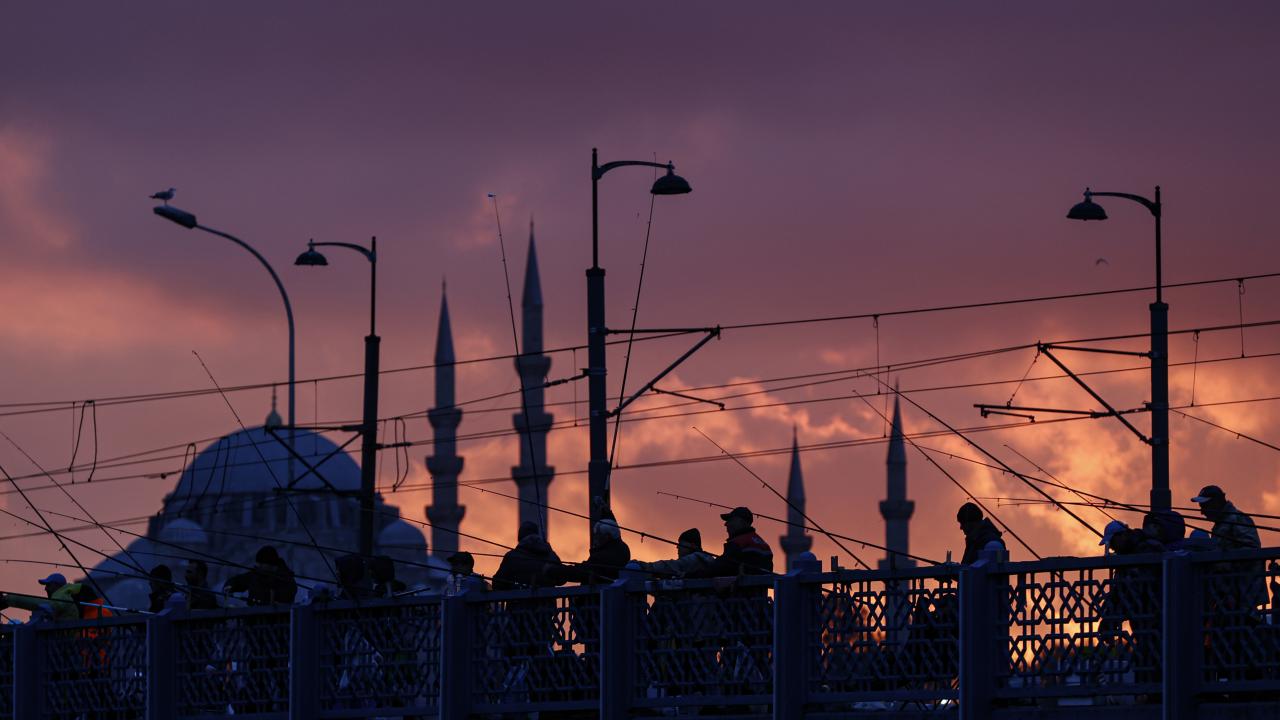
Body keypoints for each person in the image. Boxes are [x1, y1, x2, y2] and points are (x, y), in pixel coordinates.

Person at [688, 506, 774, 578]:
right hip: (759, 591)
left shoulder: (739, 543)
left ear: (740, 521)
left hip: (741, 591)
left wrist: (689, 575)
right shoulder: (764, 545)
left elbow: (720, 568)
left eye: (730, 520)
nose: (726, 524)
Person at [555, 516, 632, 585]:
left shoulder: (602, 556)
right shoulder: (622, 548)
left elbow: (581, 572)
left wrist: (555, 570)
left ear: (607, 537)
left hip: (600, 595)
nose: (595, 538)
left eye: (598, 535)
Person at [0, 572, 106, 622]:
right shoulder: (65, 594)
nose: (45, 589)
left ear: (57, 585)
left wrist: (8, 600)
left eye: (48, 585)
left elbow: (53, 605)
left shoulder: (62, 595)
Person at [492, 521, 565, 591]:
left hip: (520, 599)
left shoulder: (512, 556)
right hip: (547, 599)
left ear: (520, 538)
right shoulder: (552, 555)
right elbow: (561, 580)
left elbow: (497, 584)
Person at [225, 546, 297, 605]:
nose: (258, 565)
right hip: (253, 615)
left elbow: (286, 596)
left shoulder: (286, 578)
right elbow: (237, 580)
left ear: (271, 563)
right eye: (258, 563)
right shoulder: (254, 575)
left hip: (279, 616)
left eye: (262, 563)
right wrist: (229, 586)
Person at [634, 528, 715, 579]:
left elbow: (672, 566)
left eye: (681, 544)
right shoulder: (704, 559)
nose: (677, 547)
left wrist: (645, 566)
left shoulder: (696, 558)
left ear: (692, 545)